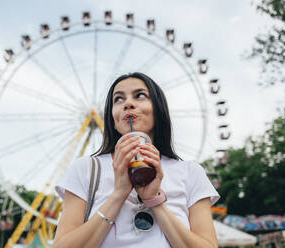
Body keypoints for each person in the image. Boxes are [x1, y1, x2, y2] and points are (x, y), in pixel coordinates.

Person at [54, 72, 219, 248]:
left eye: (140, 96)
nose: (128, 104)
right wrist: (118, 194)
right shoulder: (86, 168)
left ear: (158, 109)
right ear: (113, 118)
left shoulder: (190, 172)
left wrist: (153, 200)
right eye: (118, 99)